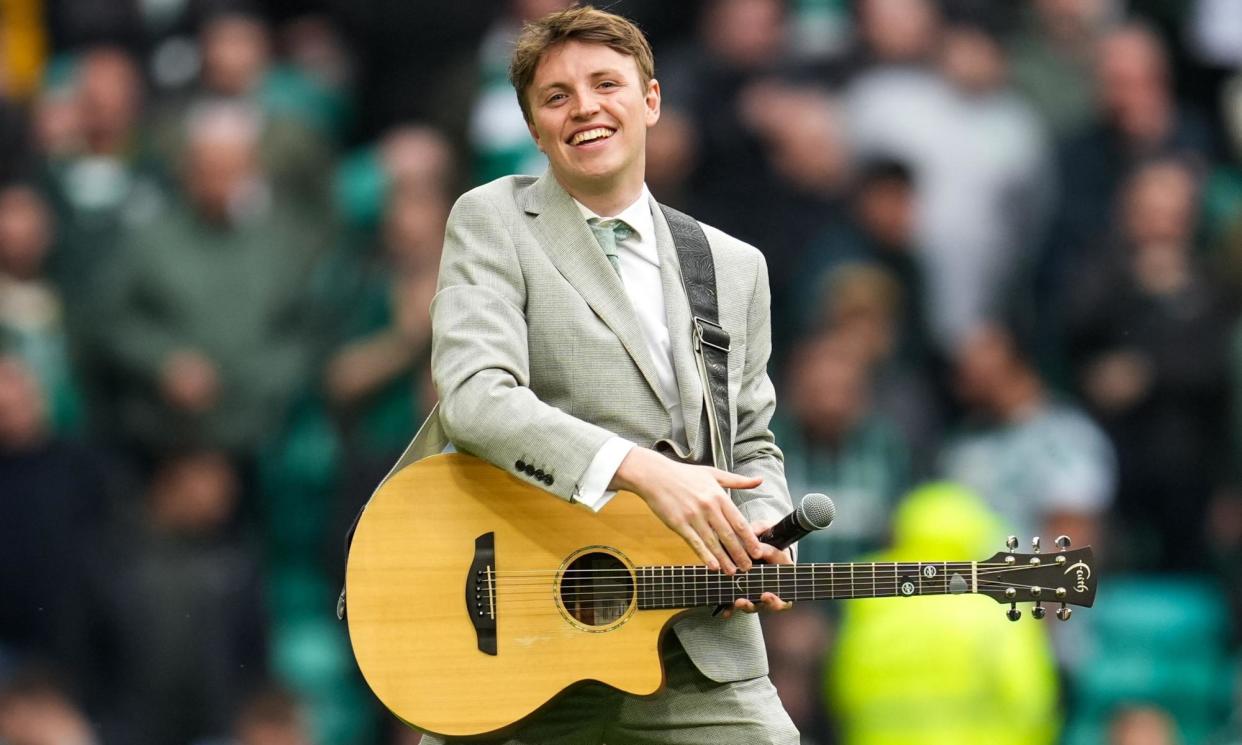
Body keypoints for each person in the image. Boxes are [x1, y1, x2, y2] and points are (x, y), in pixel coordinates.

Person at [422, 5, 798, 743]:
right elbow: (474, 397)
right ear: (534, 128)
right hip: (518, 632)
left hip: (698, 646)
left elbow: (752, 443)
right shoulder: (492, 218)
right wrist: (641, 471)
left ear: (651, 100)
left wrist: (759, 532)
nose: (584, 107)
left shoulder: (733, 266)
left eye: (606, 84)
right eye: (556, 96)